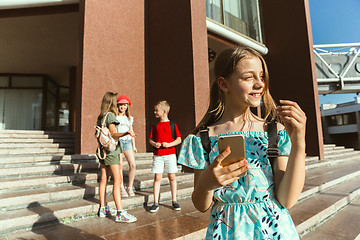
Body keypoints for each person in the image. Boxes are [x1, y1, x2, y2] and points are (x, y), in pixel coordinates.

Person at [177, 47, 306, 239]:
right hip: (227, 232)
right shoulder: (203, 138)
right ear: (224, 84)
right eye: (248, 77)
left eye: (261, 76)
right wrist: (206, 184)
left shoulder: (273, 132)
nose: (259, 84)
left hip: (273, 231)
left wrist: (299, 142)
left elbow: (287, 199)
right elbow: (201, 205)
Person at [96, 92, 137, 223]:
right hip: (112, 152)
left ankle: (103, 208)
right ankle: (120, 212)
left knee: (103, 179)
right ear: (112, 103)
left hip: (102, 152)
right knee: (118, 180)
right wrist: (126, 132)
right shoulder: (111, 116)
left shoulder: (100, 117)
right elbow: (114, 135)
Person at [148, 100, 182, 212]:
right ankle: (155, 202)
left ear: (164, 111)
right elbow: (150, 139)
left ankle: (174, 200)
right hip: (158, 155)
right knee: (157, 178)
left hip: (170, 154)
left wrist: (169, 144)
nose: (154, 112)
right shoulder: (155, 125)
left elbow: (178, 139)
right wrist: (155, 144)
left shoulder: (173, 125)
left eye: (156, 110)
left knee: (172, 177)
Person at [116, 95, 137, 197]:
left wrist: (134, 145)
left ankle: (130, 186)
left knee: (133, 165)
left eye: (124, 105)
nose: (123, 107)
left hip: (127, 142)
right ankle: (121, 187)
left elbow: (131, 131)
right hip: (118, 142)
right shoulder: (114, 117)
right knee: (120, 165)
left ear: (127, 106)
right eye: (121, 105)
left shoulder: (129, 118)